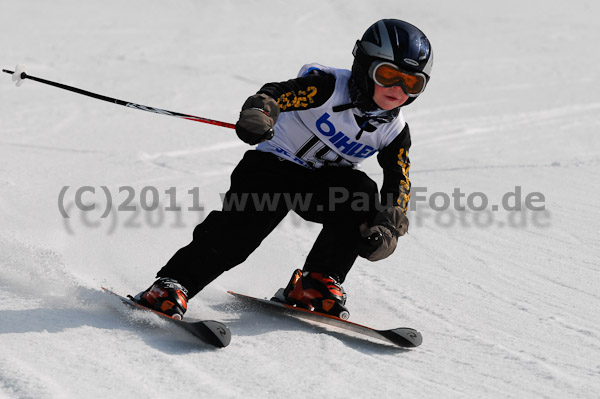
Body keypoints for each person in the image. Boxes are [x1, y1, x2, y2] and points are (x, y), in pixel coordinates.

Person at [134, 19, 433, 320]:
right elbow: (277, 94)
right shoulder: (328, 88)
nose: (398, 89)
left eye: (412, 82)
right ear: (364, 66)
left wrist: (388, 227)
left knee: (362, 194)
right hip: (272, 169)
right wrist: (259, 114)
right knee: (239, 236)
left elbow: (398, 179)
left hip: (321, 186)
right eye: (388, 75)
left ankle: (317, 283)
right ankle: (172, 285)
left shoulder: (395, 130)